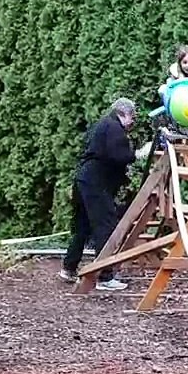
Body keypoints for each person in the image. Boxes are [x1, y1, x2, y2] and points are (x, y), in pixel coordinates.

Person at [60, 98, 141, 291]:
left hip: (83, 179)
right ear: (126, 114)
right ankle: (105, 277)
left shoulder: (102, 124)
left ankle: (69, 267)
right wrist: (137, 154)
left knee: (83, 226)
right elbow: (118, 156)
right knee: (106, 224)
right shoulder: (114, 128)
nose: (131, 123)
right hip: (96, 182)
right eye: (132, 118)